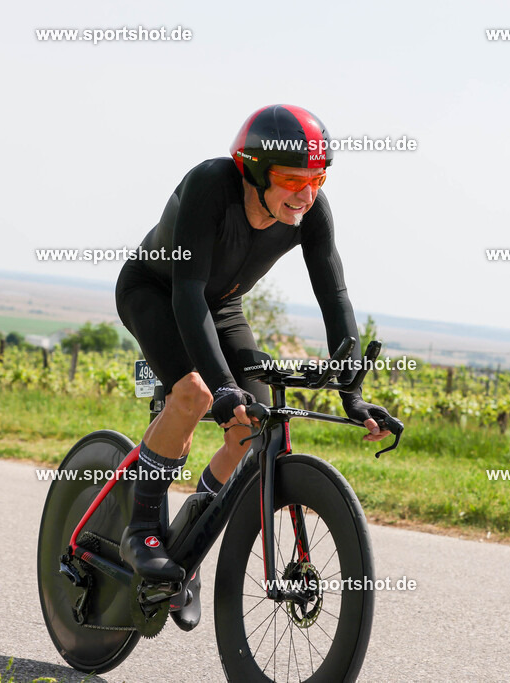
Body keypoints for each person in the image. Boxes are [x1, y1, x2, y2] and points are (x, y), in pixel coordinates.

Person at [114, 104, 393, 631]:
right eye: (292, 179)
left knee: (252, 432)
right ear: (254, 170)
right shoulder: (210, 184)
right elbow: (186, 295)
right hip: (158, 292)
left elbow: (334, 296)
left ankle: (184, 545)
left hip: (222, 306)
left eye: (317, 178)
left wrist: (352, 394)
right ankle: (142, 529)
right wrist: (219, 386)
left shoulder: (312, 211)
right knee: (196, 396)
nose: (306, 194)